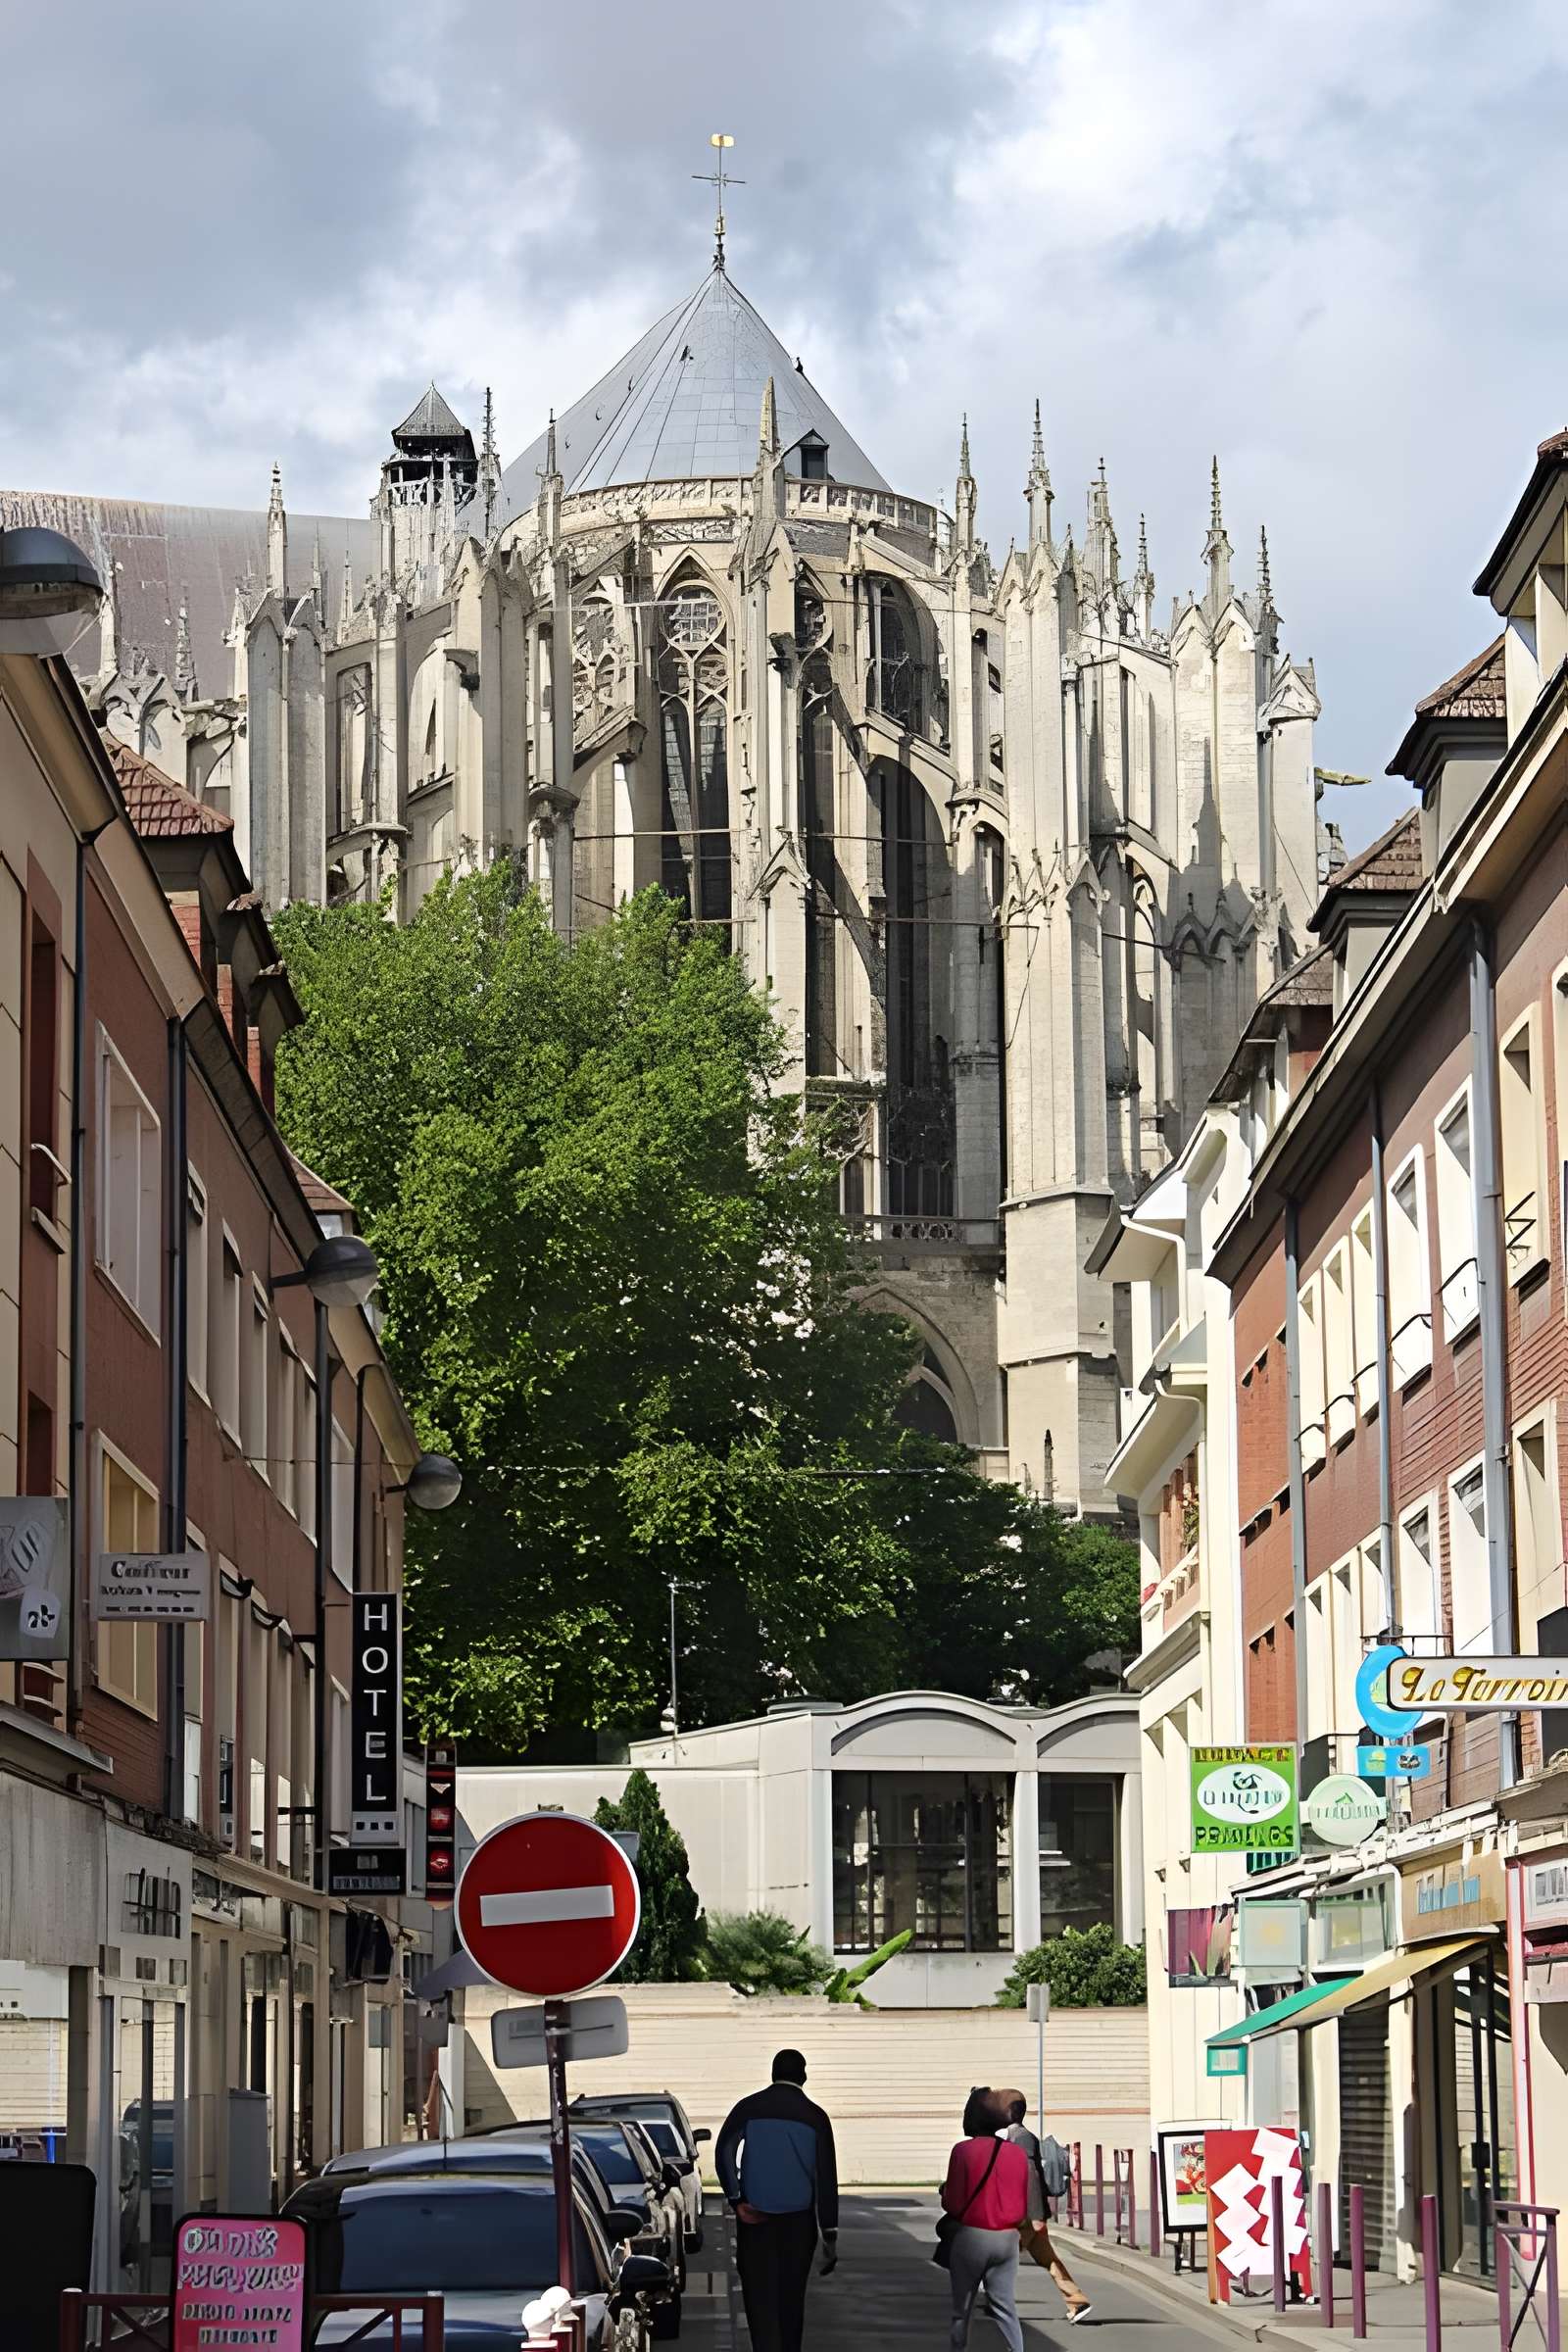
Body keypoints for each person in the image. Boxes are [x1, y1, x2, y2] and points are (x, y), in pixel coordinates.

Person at [715, 2047, 839, 2352]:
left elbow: (724, 2152)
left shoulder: (748, 2108)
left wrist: (736, 2199)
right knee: (791, 2299)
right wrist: (830, 2235)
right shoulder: (815, 2117)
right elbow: (826, 2178)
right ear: (804, 2076)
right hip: (799, 2223)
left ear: (773, 2074)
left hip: (755, 2219)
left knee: (759, 2300)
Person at [941, 2087, 1031, 2352]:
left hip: (972, 2238)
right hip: (1007, 2238)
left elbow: (954, 2203)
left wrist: (945, 2192)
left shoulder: (963, 2151)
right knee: (1005, 2308)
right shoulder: (1016, 2154)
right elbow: (1020, 2203)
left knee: (962, 2310)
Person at [991, 2087, 1092, 2324]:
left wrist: (1036, 2215)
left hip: (1025, 2216)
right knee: (1049, 2260)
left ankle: (993, 2304)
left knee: (996, 2260)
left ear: (1008, 2113)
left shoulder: (1020, 2138)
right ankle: (1077, 2300)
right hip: (1030, 2215)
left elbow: (1031, 2176)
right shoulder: (1016, 2137)